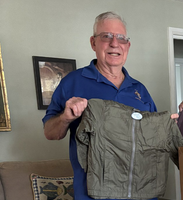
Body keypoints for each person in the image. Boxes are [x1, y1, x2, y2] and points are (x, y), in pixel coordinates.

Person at [43, 11, 159, 200]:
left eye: (121, 38)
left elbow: (153, 138)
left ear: (127, 46)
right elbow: (50, 133)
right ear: (93, 43)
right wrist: (65, 117)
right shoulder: (73, 82)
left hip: (141, 193)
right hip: (93, 195)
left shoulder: (140, 90)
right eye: (106, 36)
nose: (115, 43)